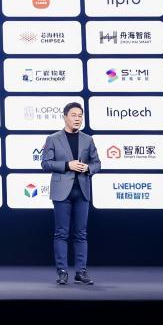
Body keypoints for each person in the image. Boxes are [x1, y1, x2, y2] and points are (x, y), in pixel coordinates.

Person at [40, 102, 101, 286]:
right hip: (61, 192)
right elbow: (45, 163)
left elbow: (97, 163)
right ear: (65, 117)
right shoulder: (53, 138)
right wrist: (68, 165)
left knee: (81, 233)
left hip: (82, 191)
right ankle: (62, 272)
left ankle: (81, 272)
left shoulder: (88, 139)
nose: (77, 119)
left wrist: (88, 168)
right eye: (74, 115)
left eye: (80, 115)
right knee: (61, 233)